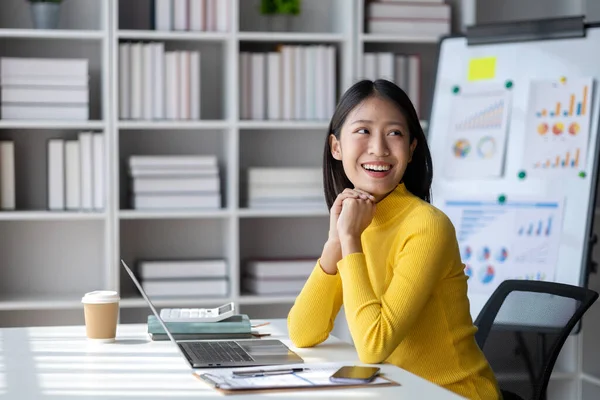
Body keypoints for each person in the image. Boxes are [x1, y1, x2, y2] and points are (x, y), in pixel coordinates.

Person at [287, 79, 500, 399]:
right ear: (336, 147)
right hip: (398, 391)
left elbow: (374, 345)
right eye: (363, 131)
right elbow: (303, 333)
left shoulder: (428, 226)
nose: (379, 148)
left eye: (395, 133)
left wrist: (349, 239)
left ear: (412, 149)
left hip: (453, 393)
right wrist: (335, 243)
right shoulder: (357, 222)